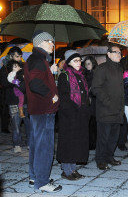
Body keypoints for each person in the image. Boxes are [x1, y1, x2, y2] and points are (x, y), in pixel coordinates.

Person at [24, 30, 62, 192]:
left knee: (36, 145)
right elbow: (35, 84)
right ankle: (42, 182)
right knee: (44, 147)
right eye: (49, 41)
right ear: (39, 43)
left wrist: (50, 72)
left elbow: (37, 79)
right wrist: (51, 95)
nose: (53, 44)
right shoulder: (38, 60)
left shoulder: (37, 60)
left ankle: (35, 177)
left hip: (38, 110)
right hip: (44, 109)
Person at [56, 50, 89, 181]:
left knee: (76, 143)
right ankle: (66, 170)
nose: (78, 62)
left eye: (79, 60)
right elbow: (64, 97)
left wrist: (86, 109)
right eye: (75, 60)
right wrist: (73, 110)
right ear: (68, 62)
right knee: (68, 143)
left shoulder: (81, 75)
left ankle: (73, 169)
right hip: (69, 115)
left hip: (80, 114)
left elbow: (84, 95)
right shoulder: (65, 75)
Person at [91, 45, 124, 170]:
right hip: (106, 109)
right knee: (103, 137)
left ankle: (109, 156)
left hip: (118, 109)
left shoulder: (120, 68)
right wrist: (107, 101)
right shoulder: (102, 68)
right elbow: (96, 88)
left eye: (120, 53)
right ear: (109, 54)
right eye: (116, 52)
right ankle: (100, 159)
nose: (119, 55)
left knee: (113, 136)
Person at [1, 59, 30, 154]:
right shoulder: (9, 75)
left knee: (29, 125)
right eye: (15, 66)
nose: (17, 67)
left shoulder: (23, 72)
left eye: (17, 65)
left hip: (26, 102)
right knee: (16, 125)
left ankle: (30, 143)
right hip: (14, 102)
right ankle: (17, 145)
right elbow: (8, 82)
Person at [0, 46, 23, 134]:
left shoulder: (21, 66)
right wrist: (14, 81)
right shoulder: (4, 67)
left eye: (20, 56)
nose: (19, 58)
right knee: (6, 111)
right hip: (7, 94)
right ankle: (5, 127)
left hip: (19, 94)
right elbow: (4, 83)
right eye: (17, 56)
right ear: (11, 56)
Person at [83, 56, 98, 150]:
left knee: (95, 123)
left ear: (93, 63)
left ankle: (95, 142)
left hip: (95, 101)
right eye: (86, 64)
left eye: (89, 63)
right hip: (87, 101)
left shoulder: (96, 74)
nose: (87, 65)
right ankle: (89, 143)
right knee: (88, 123)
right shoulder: (83, 74)